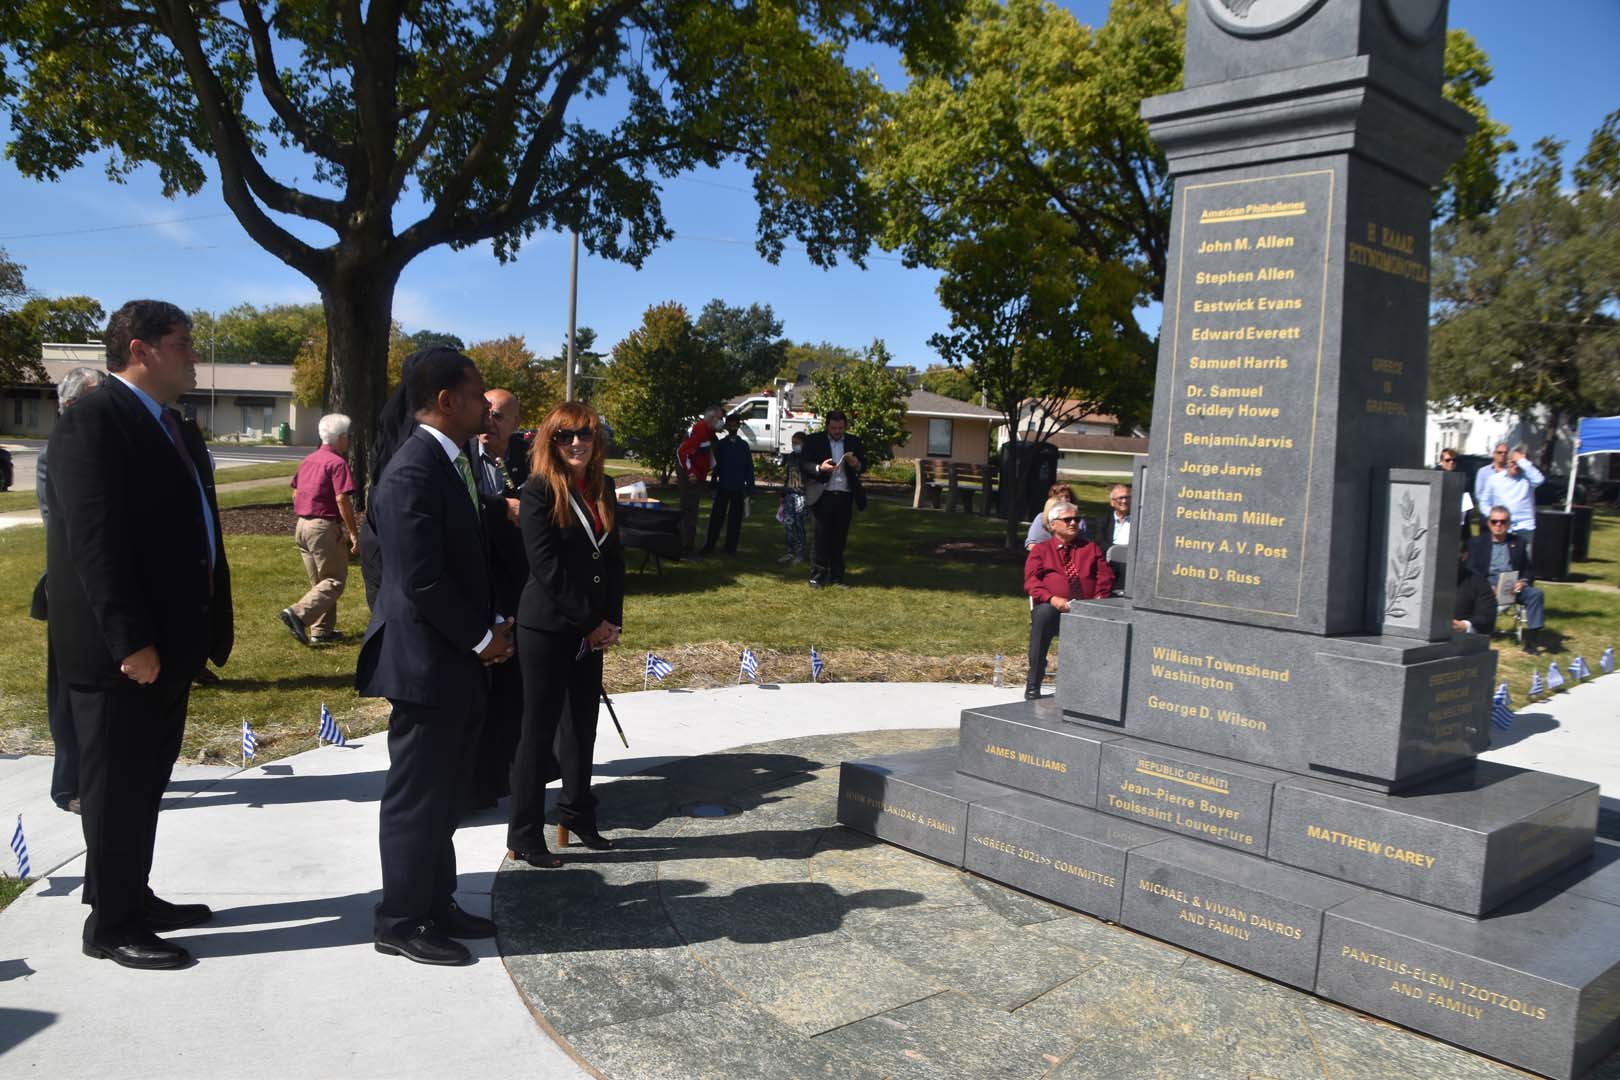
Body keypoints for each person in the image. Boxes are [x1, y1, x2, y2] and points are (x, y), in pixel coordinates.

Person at [46, 300, 234, 970]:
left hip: (170, 642)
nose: (193, 354)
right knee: (116, 787)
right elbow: (94, 544)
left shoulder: (170, 424)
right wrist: (129, 641)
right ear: (140, 348)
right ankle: (111, 926)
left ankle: (127, 894)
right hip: (121, 653)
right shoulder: (95, 419)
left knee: (143, 782)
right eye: (182, 342)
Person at [357, 348, 514, 966]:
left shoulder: (449, 462)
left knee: (445, 794)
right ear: (446, 400)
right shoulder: (412, 470)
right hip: (426, 663)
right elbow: (421, 579)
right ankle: (400, 919)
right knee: (417, 799)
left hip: (453, 656)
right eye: (477, 395)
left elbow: (464, 560)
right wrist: (481, 639)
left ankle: (436, 900)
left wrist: (490, 622)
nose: (487, 407)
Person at [507, 402, 625, 868]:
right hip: (547, 626)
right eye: (566, 435)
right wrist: (589, 621)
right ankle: (524, 833)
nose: (577, 443)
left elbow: (613, 560)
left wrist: (611, 620)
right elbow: (546, 568)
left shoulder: (604, 487)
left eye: (586, 434)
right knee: (537, 732)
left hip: (591, 629)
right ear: (551, 442)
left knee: (582, 727)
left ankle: (577, 812)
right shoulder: (537, 490)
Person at [31, 365, 106, 815]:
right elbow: (60, 525)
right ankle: (69, 784)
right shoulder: (55, 453)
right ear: (72, 404)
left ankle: (103, 775)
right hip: (71, 593)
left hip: (105, 588)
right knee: (68, 695)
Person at [470, 388, 527, 810]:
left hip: (518, 586)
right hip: (477, 588)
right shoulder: (463, 459)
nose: (490, 420)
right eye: (486, 411)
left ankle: (504, 774)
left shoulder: (526, 460)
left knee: (513, 691)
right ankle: (477, 781)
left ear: (515, 424)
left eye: (500, 415)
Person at [280, 414, 360, 645]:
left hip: (302, 525)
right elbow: (341, 499)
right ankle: (297, 614)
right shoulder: (337, 463)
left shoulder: (309, 460)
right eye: (348, 436)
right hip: (323, 527)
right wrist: (353, 532)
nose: (349, 440)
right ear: (341, 437)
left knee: (320, 582)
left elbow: (295, 492)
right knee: (334, 580)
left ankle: (321, 630)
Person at [1023, 501, 1113, 700]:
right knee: (1043, 615)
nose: (1073, 523)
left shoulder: (1090, 548)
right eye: (1067, 519)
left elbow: (1105, 577)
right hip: (1052, 607)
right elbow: (1032, 582)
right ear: (1052, 524)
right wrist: (1052, 599)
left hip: (1087, 606)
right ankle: (1033, 683)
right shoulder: (1041, 550)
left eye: (1076, 519)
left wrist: (1097, 600)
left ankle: (1089, 687)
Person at [799, 410, 866, 588]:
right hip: (822, 495)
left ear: (845, 426)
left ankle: (837, 577)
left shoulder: (854, 441)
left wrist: (857, 464)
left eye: (841, 428)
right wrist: (820, 468)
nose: (837, 431)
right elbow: (803, 464)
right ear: (827, 426)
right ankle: (817, 577)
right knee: (821, 537)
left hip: (844, 495)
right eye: (834, 428)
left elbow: (863, 465)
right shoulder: (814, 440)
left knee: (839, 538)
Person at [1467, 505, 1546, 654]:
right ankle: (1478, 632)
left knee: (1536, 594)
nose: (1498, 525)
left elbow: (1528, 569)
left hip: (1512, 583)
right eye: (1494, 521)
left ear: (1509, 524)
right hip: (1488, 582)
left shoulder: (1519, 542)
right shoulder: (1476, 543)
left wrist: (1523, 582)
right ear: (1488, 523)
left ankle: (1532, 642)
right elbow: (1471, 570)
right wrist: (1484, 586)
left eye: (1503, 522)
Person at [700, 412, 756, 556]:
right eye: (730, 425)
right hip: (723, 486)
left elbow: (749, 467)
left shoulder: (743, 446)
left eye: (735, 425)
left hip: (738, 487)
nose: (732, 428)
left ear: (738, 426)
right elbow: (716, 467)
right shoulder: (721, 445)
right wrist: (713, 484)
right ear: (726, 426)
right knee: (716, 518)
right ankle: (710, 545)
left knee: (735, 520)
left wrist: (750, 487)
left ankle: (731, 548)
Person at [1477, 444, 1543, 554]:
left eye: (1519, 464)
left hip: (1524, 527)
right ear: (1507, 461)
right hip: (1501, 527)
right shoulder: (1494, 479)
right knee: (1500, 558)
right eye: (1513, 462)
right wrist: (1495, 517)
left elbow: (1539, 479)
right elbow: (1484, 502)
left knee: (1524, 560)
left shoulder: (1529, 479)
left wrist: (1522, 460)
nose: (1516, 466)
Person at [675, 406, 723, 555]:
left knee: (691, 509)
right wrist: (691, 473)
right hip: (690, 475)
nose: (721, 421)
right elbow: (682, 453)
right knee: (689, 510)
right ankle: (685, 547)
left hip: (697, 475)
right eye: (720, 418)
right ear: (712, 418)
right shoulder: (699, 429)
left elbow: (704, 453)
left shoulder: (707, 432)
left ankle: (686, 545)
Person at [1451, 540, 1496, 636]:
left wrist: (1465, 625)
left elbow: (1487, 615)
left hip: (1461, 637)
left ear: (1464, 556)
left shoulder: (1479, 582)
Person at [1024, 483, 1087, 548]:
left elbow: (1086, 544)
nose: (1064, 500)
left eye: (1067, 496)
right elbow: (1032, 545)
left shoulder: (1078, 520)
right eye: (1060, 497)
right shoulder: (1041, 518)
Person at [778, 431, 808, 565]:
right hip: (790, 494)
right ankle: (790, 552)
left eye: (797, 443)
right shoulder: (790, 457)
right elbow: (788, 477)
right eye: (793, 443)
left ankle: (800, 554)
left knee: (799, 524)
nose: (794, 445)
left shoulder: (807, 457)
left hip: (802, 495)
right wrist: (783, 494)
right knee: (788, 524)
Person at [1097, 483, 1132, 589]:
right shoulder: (1104, 520)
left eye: (1127, 497)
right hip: (1110, 561)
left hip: (1130, 561)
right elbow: (1100, 542)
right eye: (1120, 498)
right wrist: (1116, 552)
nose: (1124, 501)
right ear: (1112, 502)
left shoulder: (1138, 520)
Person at [1438, 447, 1474, 530]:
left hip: (1459, 518)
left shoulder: (1463, 476)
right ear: (1442, 461)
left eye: (1454, 460)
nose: (1451, 462)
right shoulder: (1436, 474)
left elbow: (1468, 496)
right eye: (1447, 460)